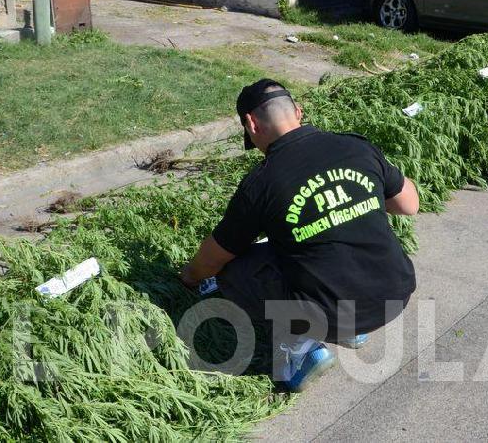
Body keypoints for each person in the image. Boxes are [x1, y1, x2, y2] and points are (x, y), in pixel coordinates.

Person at [179, 78, 419, 392]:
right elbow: (409, 204)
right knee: (313, 243)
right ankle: (350, 330)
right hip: (393, 295)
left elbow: (213, 258)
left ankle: (304, 351)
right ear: (298, 111)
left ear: (251, 123)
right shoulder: (356, 146)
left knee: (233, 271)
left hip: (334, 311)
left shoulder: (261, 183)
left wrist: (188, 278)